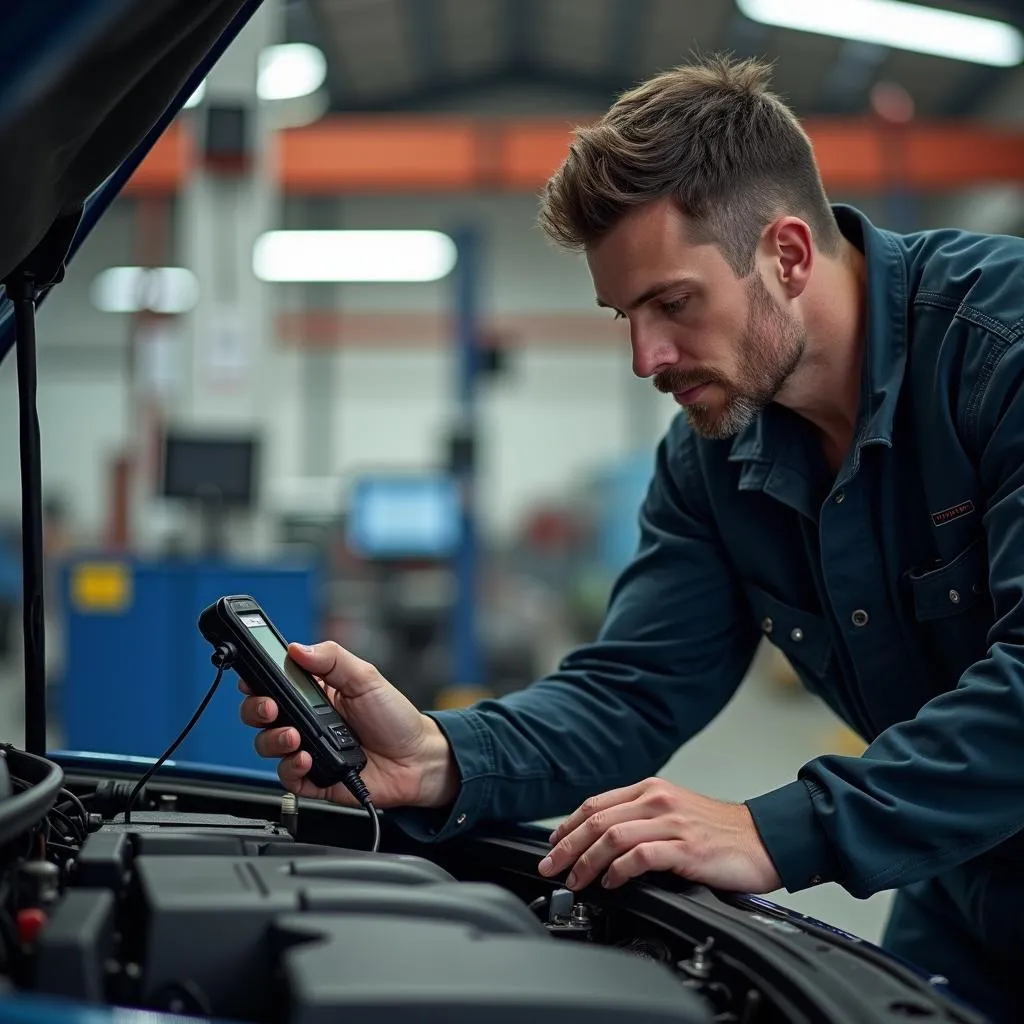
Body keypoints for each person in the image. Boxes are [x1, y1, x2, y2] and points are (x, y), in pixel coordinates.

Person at [239, 55, 1024, 1022]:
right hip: (967, 890)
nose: (645, 357)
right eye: (624, 316)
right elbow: (637, 684)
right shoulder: (713, 458)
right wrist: (443, 754)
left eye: (673, 304)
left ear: (785, 254)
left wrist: (772, 830)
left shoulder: (1002, 353)